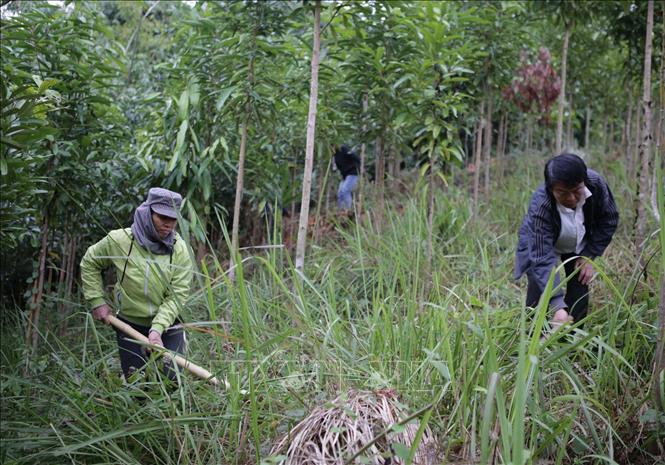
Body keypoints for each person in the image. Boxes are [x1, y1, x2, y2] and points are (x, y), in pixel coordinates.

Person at [80, 187, 193, 380]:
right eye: (162, 217)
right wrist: (97, 300)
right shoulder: (120, 240)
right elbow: (90, 261)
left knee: (173, 379)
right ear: (148, 212)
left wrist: (157, 329)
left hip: (168, 325)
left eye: (172, 219)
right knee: (136, 382)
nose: (168, 224)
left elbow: (178, 294)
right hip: (129, 324)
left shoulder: (179, 250)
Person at [514, 153, 619, 328]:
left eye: (577, 191)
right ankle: (533, 336)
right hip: (542, 243)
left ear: (584, 182)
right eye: (563, 193)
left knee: (580, 282)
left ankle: (571, 341)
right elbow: (541, 259)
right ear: (551, 189)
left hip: (577, 240)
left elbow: (609, 219)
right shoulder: (541, 206)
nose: (571, 199)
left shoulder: (596, 185)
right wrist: (556, 304)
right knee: (538, 287)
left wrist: (588, 255)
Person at [333, 144, 361, 210]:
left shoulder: (343, 149)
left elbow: (355, 157)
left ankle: (348, 210)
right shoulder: (334, 155)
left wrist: (357, 166)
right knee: (340, 193)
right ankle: (341, 211)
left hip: (353, 173)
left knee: (345, 190)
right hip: (345, 176)